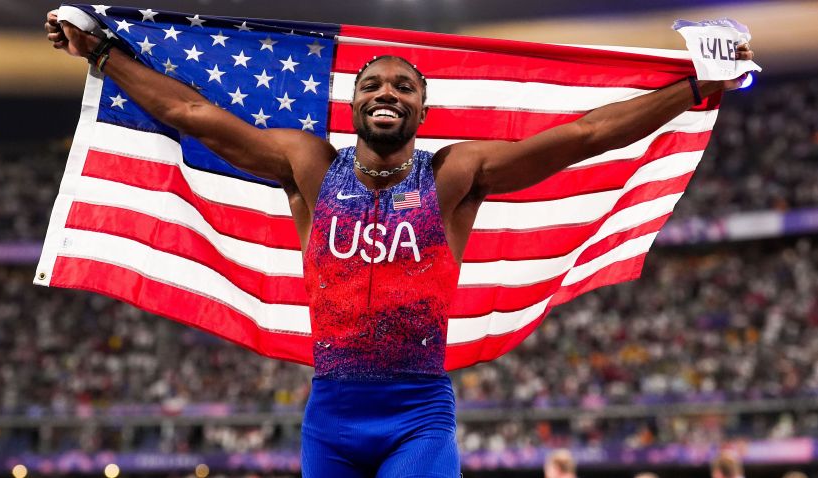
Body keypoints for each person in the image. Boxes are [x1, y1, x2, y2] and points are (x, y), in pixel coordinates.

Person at [45, 11, 754, 478]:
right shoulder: (308, 166)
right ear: (354, 103)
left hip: (416, 414)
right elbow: (192, 114)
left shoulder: (454, 174)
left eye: (403, 86)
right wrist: (105, 52)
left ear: (421, 106)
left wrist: (691, 86)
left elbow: (581, 138)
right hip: (330, 415)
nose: (388, 92)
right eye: (375, 83)